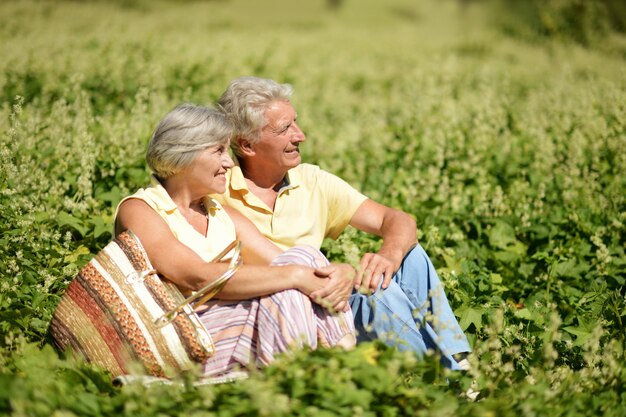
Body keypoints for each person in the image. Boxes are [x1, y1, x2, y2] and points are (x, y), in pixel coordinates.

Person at [215, 76, 472, 370]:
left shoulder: (312, 180)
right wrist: (348, 274)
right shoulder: (218, 190)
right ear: (246, 145)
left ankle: (458, 363)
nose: (300, 136)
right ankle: (444, 377)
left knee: (409, 258)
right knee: (378, 293)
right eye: (285, 129)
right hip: (284, 313)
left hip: (328, 299)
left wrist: (388, 255)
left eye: (295, 123)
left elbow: (397, 220)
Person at [114, 103, 356, 379]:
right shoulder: (141, 209)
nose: (229, 162)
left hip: (232, 330)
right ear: (183, 156)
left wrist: (342, 272)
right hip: (185, 339)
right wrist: (299, 276)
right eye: (218, 151)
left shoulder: (220, 214)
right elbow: (196, 278)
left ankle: (321, 375)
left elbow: (287, 262)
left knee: (302, 260)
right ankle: (336, 373)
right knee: (288, 287)